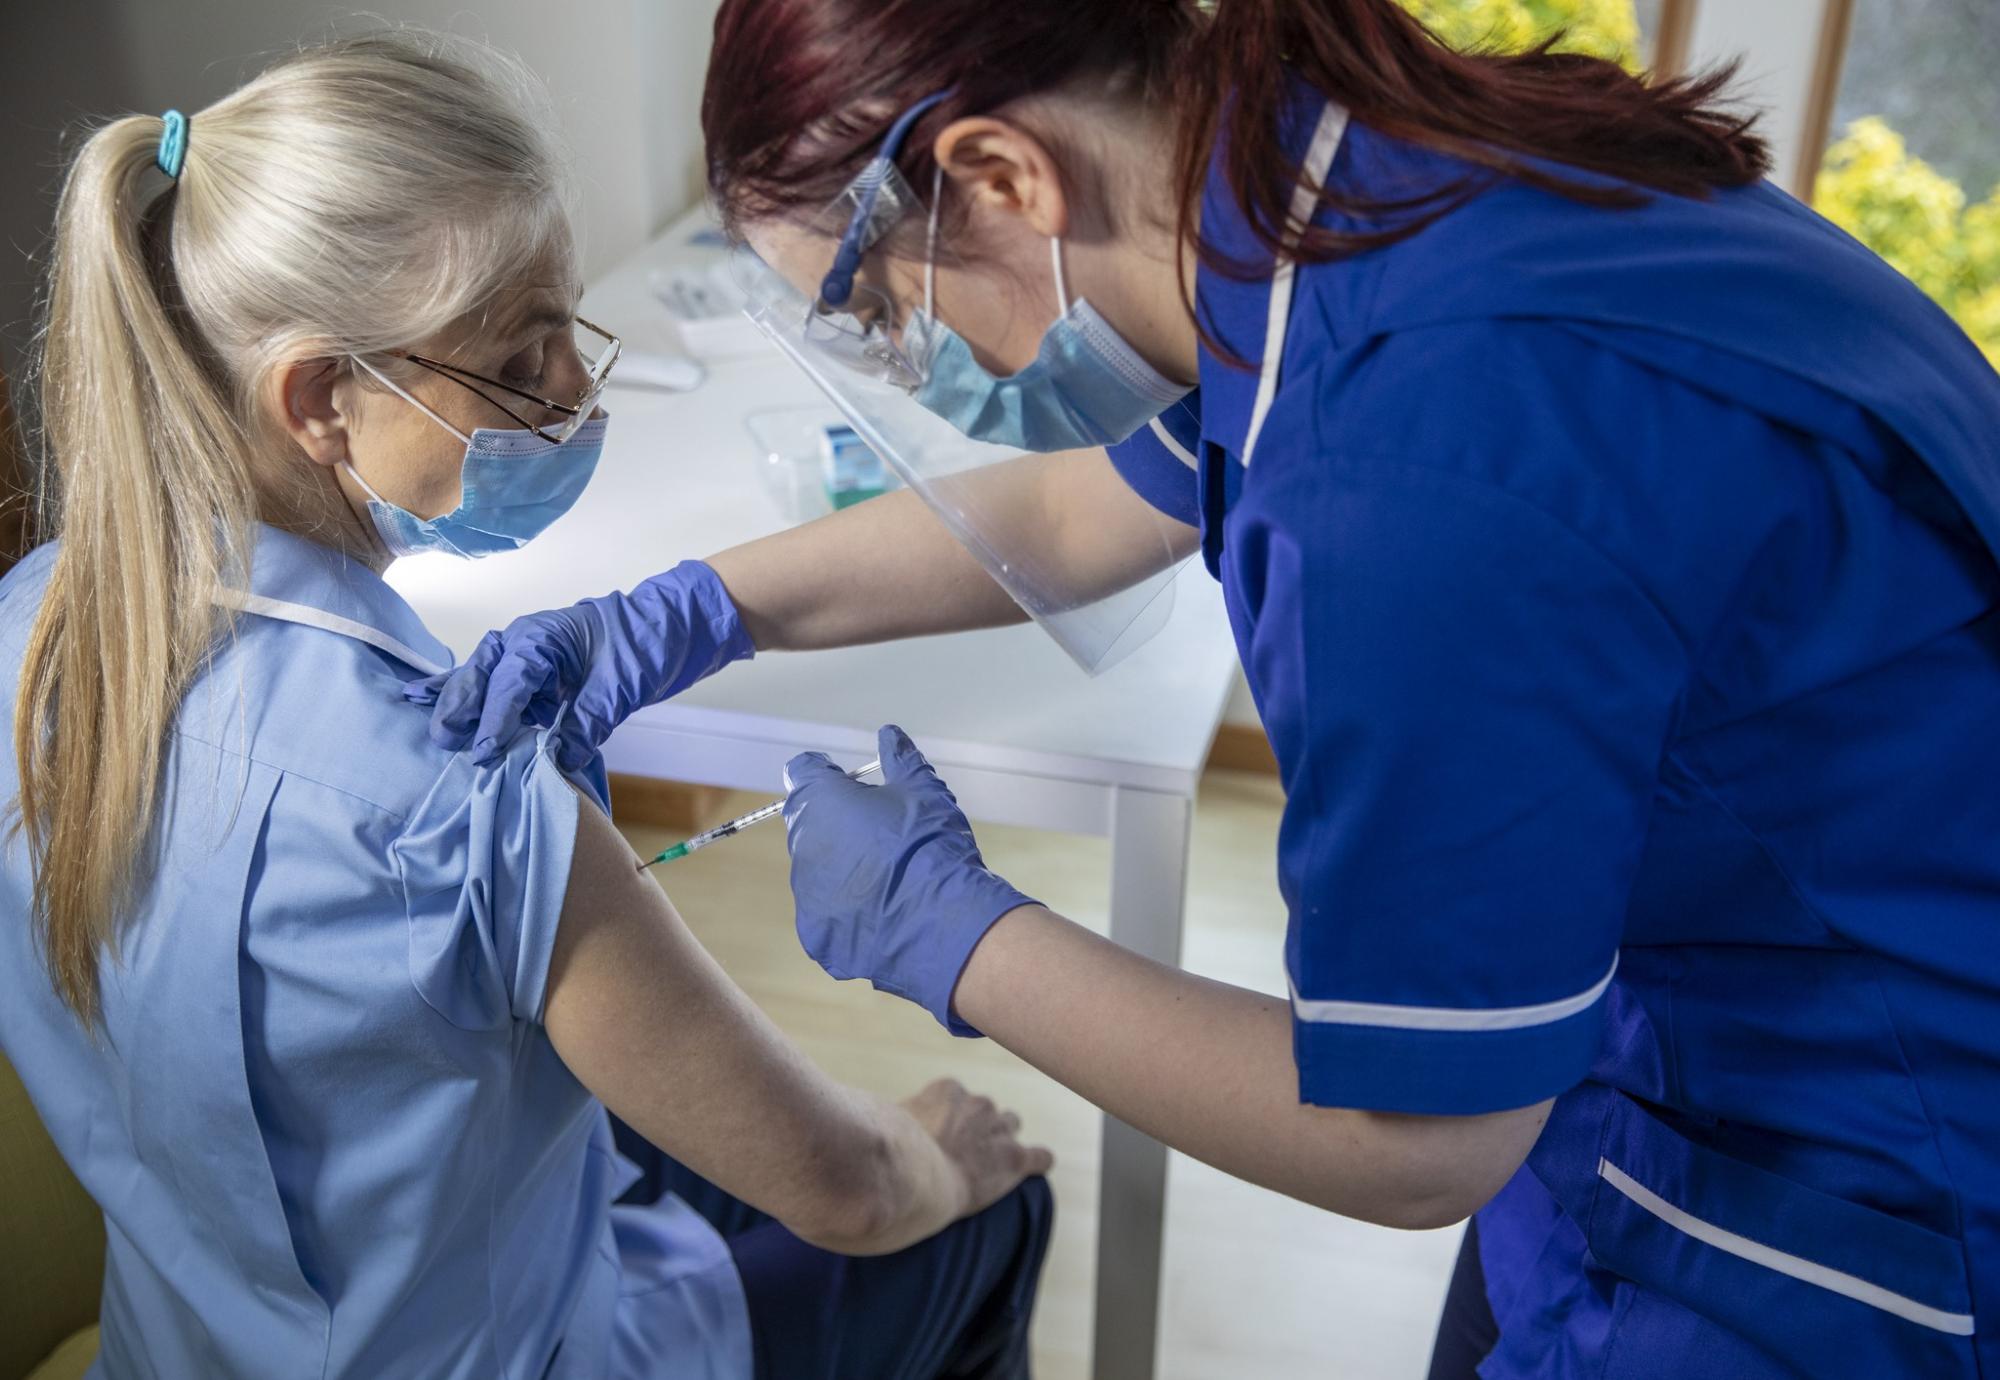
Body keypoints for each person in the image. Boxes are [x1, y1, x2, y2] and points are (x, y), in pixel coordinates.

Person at [424, 0, 2000, 1375]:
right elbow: (1078, 512)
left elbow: (1417, 1141)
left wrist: (959, 938)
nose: (903, 354)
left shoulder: (1413, 466)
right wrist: (692, 609)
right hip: (1694, 994)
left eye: (878, 304)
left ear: (998, 175)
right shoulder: (1316, 178)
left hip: (1862, 1154)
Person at [0, 32, 1055, 1380]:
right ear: (322, 399)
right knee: (991, 1201)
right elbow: (849, 1186)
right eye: (520, 351)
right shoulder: (456, 791)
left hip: (193, 1344)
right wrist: (942, 1151)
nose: (574, 390)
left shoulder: (28, 631)